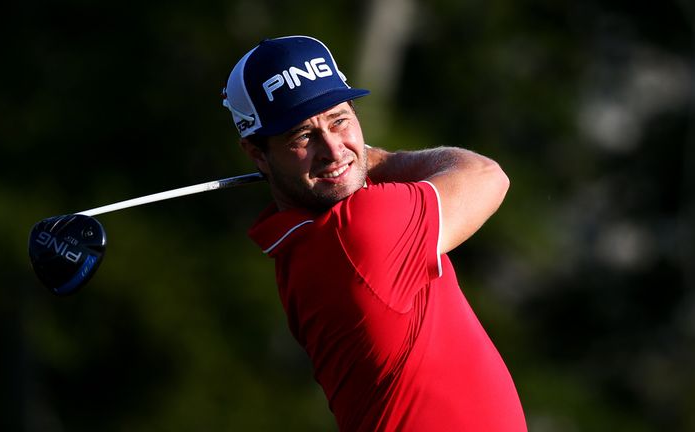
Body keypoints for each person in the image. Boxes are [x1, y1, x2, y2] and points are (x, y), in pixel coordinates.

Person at [222, 35, 527, 431]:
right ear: (257, 154)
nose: (333, 149)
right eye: (302, 135)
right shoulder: (358, 230)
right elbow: (487, 175)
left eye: (339, 121)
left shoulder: (296, 249)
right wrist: (379, 159)